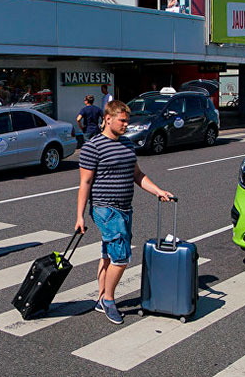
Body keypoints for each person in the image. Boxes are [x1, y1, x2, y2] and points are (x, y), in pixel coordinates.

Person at [75, 100, 174, 325]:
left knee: (108, 254)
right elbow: (85, 182)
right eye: (122, 120)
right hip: (104, 208)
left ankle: (101, 297)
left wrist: (157, 191)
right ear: (107, 119)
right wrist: (80, 216)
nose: (126, 125)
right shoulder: (93, 146)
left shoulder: (127, 144)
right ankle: (108, 299)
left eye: (127, 121)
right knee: (121, 256)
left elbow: (137, 175)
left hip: (125, 208)